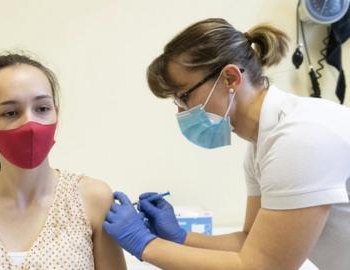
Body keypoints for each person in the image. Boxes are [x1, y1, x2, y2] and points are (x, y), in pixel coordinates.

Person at [104, 18, 350, 270]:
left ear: (230, 78)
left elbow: (261, 266)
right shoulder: (263, 145)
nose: (180, 111)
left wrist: (145, 244)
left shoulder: (299, 139)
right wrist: (179, 237)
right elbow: (250, 241)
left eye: (183, 96)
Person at [0, 52, 126, 269]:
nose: (30, 123)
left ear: (56, 114)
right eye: (10, 113)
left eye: (42, 108)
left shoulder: (93, 198)